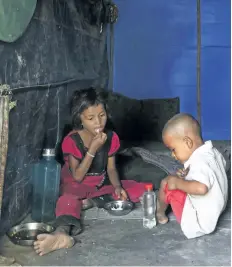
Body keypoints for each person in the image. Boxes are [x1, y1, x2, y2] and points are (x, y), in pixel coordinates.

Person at [34, 88, 146, 256]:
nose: (98, 122)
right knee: (67, 201)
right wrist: (93, 148)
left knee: (140, 188)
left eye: (102, 115)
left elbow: (111, 168)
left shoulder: (111, 137)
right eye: (91, 118)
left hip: (100, 185)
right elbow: (77, 176)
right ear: (80, 117)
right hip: (75, 187)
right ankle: (61, 234)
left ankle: (92, 201)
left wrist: (116, 186)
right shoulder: (72, 140)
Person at [156, 113, 228, 239]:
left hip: (200, 221)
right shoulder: (212, 152)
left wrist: (177, 183)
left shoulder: (199, 162)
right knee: (176, 179)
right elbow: (214, 172)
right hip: (216, 208)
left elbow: (201, 188)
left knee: (166, 183)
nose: (173, 155)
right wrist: (187, 175)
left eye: (173, 149)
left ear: (188, 142)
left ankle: (160, 213)